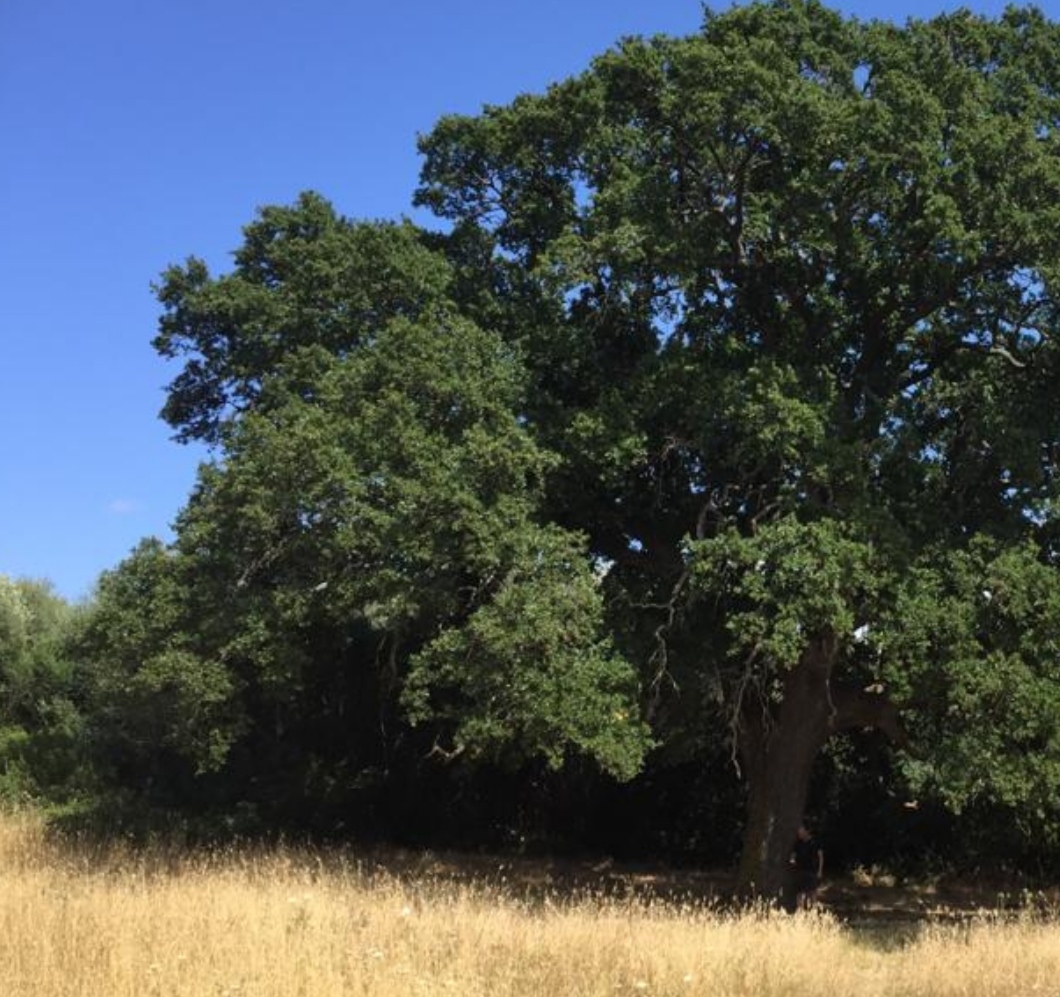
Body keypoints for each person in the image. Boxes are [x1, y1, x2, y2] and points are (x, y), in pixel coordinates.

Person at [790, 824, 824, 910]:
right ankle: (800, 911)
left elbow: (820, 857)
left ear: (807, 832)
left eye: (801, 832)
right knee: (799, 893)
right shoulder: (798, 843)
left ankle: (813, 911)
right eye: (799, 833)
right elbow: (793, 855)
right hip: (800, 870)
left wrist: (820, 871)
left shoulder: (815, 842)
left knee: (812, 892)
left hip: (812, 871)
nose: (799, 834)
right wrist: (792, 860)